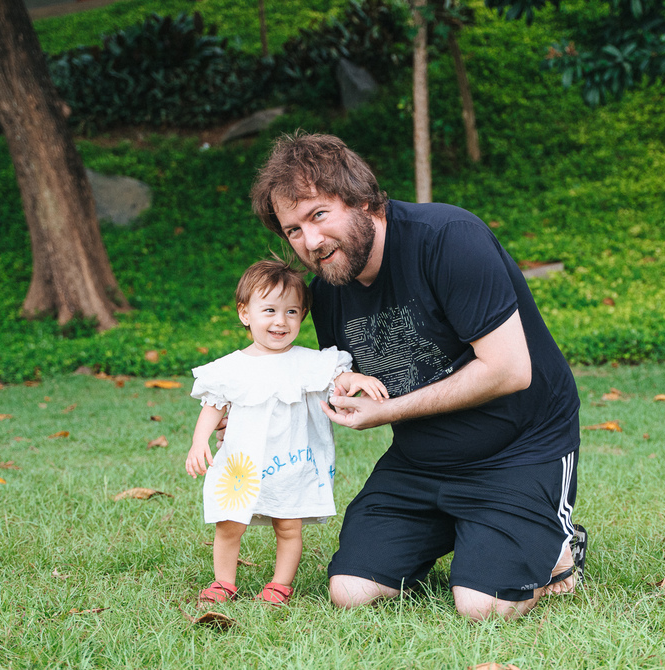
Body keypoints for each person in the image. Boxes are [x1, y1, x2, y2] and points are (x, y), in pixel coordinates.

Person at [248, 133, 586, 621]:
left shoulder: (449, 238)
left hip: (519, 449)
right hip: (422, 461)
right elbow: (338, 377)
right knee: (350, 590)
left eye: (319, 215)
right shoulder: (331, 290)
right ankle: (468, 530)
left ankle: (555, 542)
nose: (311, 242)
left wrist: (386, 412)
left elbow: (510, 370)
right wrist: (249, 409)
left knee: (481, 606)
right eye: (293, 230)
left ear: (363, 199)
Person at [185, 258, 387, 606]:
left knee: (289, 526)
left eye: (292, 312)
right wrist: (199, 440)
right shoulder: (230, 368)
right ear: (245, 313)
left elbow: (338, 379)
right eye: (269, 311)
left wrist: (358, 379)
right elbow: (214, 405)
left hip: (290, 462)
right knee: (229, 523)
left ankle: (280, 584)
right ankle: (223, 582)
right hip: (241, 465)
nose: (281, 321)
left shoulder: (310, 362)